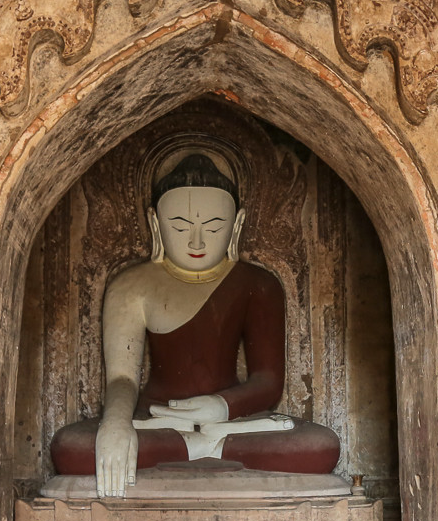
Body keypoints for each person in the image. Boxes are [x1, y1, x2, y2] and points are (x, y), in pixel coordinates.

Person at [49, 152, 340, 496]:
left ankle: (201, 445)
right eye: (181, 226)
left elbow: (268, 381)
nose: (197, 241)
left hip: (231, 423)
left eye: (214, 226)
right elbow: (122, 377)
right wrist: (115, 424)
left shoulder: (258, 284)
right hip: (156, 420)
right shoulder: (132, 286)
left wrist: (221, 407)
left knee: (320, 445)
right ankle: (200, 446)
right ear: (155, 224)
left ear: (237, 225)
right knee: (71, 446)